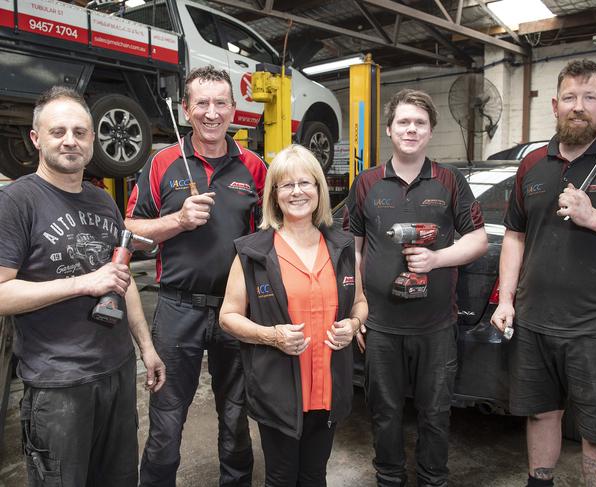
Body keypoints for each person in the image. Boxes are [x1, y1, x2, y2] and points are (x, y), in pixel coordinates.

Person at [491, 59, 596, 487]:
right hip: (535, 323)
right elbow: (515, 236)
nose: (579, 106)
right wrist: (506, 300)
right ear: (555, 105)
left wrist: (593, 216)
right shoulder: (533, 165)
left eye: (590, 97)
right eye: (570, 98)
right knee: (542, 414)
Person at [0, 86, 165, 486]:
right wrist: (81, 283)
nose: (70, 140)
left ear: (93, 139)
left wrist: (146, 348)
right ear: (36, 138)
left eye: (80, 131)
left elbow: (121, 280)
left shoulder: (102, 201)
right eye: (58, 132)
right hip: (58, 385)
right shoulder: (17, 202)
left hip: (117, 372)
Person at [125, 66, 267, 486]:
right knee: (166, 418)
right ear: (186, 110)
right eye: (201, 103)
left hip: (235, 310)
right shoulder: (162, 163)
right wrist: (177, 221)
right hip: (176, 309)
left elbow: (267, 240)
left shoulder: (254, 168)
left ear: (233, 110)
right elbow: (130, 229)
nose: (211, 112)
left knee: (236, 415)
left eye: (220, 102)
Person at [346, 89, 487, 487]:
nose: (411, 129)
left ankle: (432, 480)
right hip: (382, 327)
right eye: (404, 122)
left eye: (420, 123)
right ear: (389, 129)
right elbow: (353, 252)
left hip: (436, 326)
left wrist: (437, 258)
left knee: (436, 412)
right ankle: (389, 478)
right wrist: (358, 310)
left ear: (430, 132)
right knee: (384, 411)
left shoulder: (450, 180)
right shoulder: (367, 182)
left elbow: (476, 239)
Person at [219, 144, 368, 486]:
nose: (297, 192)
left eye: (306, 183)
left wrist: (354, 324)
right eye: (286, 185)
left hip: (328, 388)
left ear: (319, 189)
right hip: (279, 391)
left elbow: (361, 302)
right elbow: (228, 316)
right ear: (274, 195)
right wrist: (272, 335)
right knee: (282, 478)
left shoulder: (343, 247)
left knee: (315, 476)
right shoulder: (253, 252)